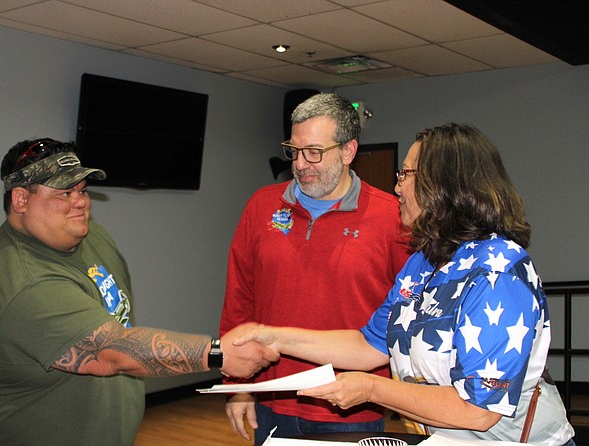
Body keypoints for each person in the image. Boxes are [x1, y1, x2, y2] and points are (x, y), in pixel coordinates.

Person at [234, 123, 576, 445]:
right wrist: (272, 336)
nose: (397, 186)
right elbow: (369, 346)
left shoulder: (497, 271)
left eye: (406, 175)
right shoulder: (423, 260)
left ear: (444, 184)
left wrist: (370, 389)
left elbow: (478, 410)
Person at [0, 138, 278, 446]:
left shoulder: (89, 235)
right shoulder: (26, 282)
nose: (81, 202)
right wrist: (217, 354)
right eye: (65, 192)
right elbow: (109, 351)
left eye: (82, 190)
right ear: (21, 200)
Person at [219, 93, 411, 444]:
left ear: (348, 151)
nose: (301, 163)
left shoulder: (392, 218)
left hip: (353, 407)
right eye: (294, 150)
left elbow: (407, 315)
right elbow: (239, 299)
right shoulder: (261, 206)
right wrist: (237, 386)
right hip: (272, 398)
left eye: (314, 152)